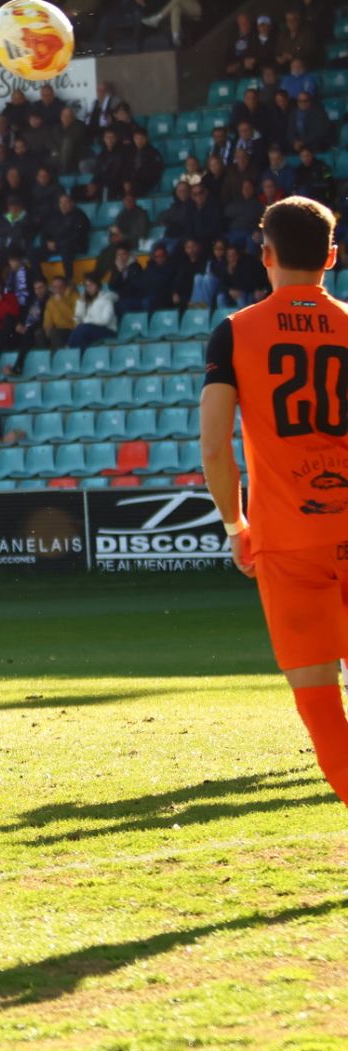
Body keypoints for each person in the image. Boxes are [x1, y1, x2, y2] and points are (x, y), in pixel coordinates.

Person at [201, 195, 348, 813]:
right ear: (332, 257)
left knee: (319, 704)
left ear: (265, 255)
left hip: (288, 540)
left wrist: (237, 523)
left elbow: (215, 448)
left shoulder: (235, 331)